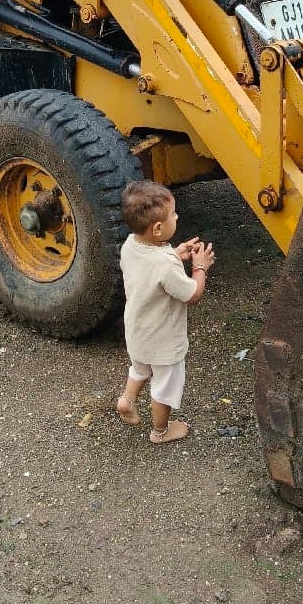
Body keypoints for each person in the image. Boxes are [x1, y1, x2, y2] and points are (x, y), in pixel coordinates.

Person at [115, 179, 215, 443]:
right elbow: (192, 294)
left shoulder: (130, 244)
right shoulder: (164, 265)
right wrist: (199, 267)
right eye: (173, 214)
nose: (177, 216)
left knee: (140, 369)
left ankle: (127, 400)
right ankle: (161, 431)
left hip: (137, 332)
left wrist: (174, 254)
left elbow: (151, 267)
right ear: (158, 228)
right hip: (163, 342)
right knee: (164, 386)